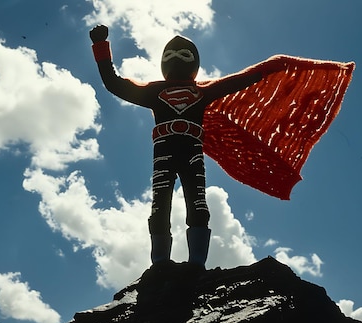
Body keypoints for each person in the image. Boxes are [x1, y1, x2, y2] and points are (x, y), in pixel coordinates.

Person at [89, 25, 267, 269]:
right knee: (160, 204)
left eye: (184, 55)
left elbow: (237, 81)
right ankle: (160, 262)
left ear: (194, 63)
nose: (176, 59)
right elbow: (113, 83)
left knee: (197, 202)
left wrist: (269, 69)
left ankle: (196, 263)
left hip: (190, 152)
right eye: (170, 56)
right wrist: (101, 46)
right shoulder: (160, 91)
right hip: (166, 152)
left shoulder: (199, 92)